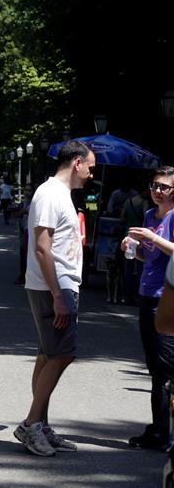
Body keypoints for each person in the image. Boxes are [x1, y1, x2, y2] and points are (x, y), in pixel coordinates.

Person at [13, 140, 95, 457]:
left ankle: (41, 425)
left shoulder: (60, 194)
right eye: (90, 167)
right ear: (76, 163)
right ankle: (31, 424)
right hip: (54, 285)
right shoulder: (50, 194)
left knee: (48, 354)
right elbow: (42, 248)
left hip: (57, 284)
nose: (91, 174)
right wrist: (58, 296)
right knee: (63, 353)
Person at [120, 166, 174, 450]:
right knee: (155, 367)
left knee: (166, 368)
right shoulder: (148, 216)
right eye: (154, 185)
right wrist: (134, 248)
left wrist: (152, 238)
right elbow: (147, 257)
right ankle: (159, 429)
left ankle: (163, 434)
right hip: (147, 293)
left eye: (164, 187)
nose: (157, 191)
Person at [121, 186, 151, 305]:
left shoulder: (128, 202)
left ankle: (126, 296)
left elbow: (122, 217)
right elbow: (146, 219)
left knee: (127, 268)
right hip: (140, 238)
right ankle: (139, 296)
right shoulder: (144, 203)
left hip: (128, 236)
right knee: (140, 268)